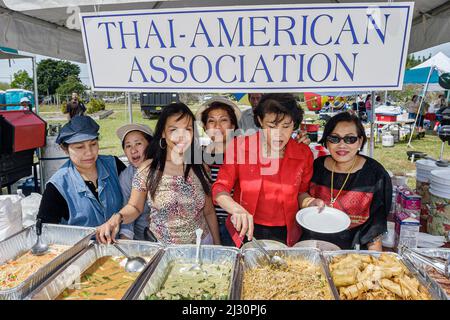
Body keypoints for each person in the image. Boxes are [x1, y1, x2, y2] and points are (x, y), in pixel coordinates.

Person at [96, 103, 220, 245]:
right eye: (173, 130)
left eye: (188, 129)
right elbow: (135, 207)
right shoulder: (147, 170)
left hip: (201, 247)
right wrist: (118, 217)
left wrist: (218, 246)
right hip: (164, 250)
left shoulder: (201, 167)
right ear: (163, 132)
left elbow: (209, 211)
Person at [212, 93, 319, 247]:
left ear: (294, 125)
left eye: (286, 126)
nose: (279, 134)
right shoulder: (240, 147)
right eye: (272, 126)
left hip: (287, 232)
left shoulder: (303, 153)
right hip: (245, 229)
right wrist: (236, 209)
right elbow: (219, 189)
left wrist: (311, 202)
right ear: (261, 121)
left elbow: (301, 193)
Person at [302, 112, 392, 251]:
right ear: (326, 140)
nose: (342, 145)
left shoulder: (376, 175)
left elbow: (374, 230)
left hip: (351, 254)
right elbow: (300, 195)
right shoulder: (316, 166)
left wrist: (376, 262)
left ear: (360, 141)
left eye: (350, 139)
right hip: (311, 247)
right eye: (334, 138)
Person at [37, 116, 126, 227]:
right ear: (65, 149)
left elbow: (135, 200)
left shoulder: (114, 165)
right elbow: (46, 230)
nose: (89, 153)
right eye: (80, 147)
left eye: (93, 144)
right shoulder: (57, 186)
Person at [196, 96, 242, 246]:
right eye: (211, 121)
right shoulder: (198, 157)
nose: (217, 126)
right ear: (204, 127)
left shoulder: (245, 155)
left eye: (223, 120)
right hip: (207, 226)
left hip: (237, 226)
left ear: (233, 125)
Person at [116, 123, 154, 240]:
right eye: (128, 146)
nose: (133, 150)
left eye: (138, 143)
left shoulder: (164, 169)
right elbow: (128, 211)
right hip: (143, 241)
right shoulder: (126, 177)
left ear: (150, 145)